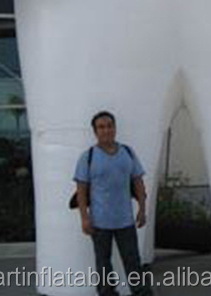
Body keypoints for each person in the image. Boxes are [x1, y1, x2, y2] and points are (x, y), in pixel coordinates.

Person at [74, 111, 152, 296]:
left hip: (125, 221)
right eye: (101, 127)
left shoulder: (128, 153)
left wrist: (142, 209)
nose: (106, 130)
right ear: (95, 131)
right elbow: (81, 191)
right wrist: (84, 218)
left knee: (133, 264)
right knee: (103, 266)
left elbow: (138, 182)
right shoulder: (88, 157)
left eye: (110, 125)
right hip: (99, 223)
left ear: (115, 128)